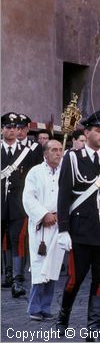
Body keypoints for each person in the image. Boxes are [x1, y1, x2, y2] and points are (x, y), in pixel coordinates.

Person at [56, 110, 100, 342]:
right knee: (74, 279)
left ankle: (94, 327)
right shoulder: (72, 158)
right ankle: (63, 318)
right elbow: (63, 196)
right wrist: (63, 229)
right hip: (80, 232)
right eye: (98, 130)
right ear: (87, 132)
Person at [22, 140, 64, 320]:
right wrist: (44, 214)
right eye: (54, 150)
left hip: (59, 225)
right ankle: (34, 308)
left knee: (54, 267)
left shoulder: (65, 172)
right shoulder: (35, 172)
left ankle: (46, 308)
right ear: (45, 154)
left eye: (61, 150)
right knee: (40, 267)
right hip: (41, 228)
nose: (58, 153)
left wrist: (61, 216)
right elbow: (28, 198)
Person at [1, 112, 40, 296]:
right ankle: (7, 274)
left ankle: (18, 281)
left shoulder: (27, 152)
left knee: (18, 241)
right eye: (8, 127)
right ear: (2, 129)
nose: (12, 130)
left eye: (15, 127)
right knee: (4, 241)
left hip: (19, 205)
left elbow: (34, 177)